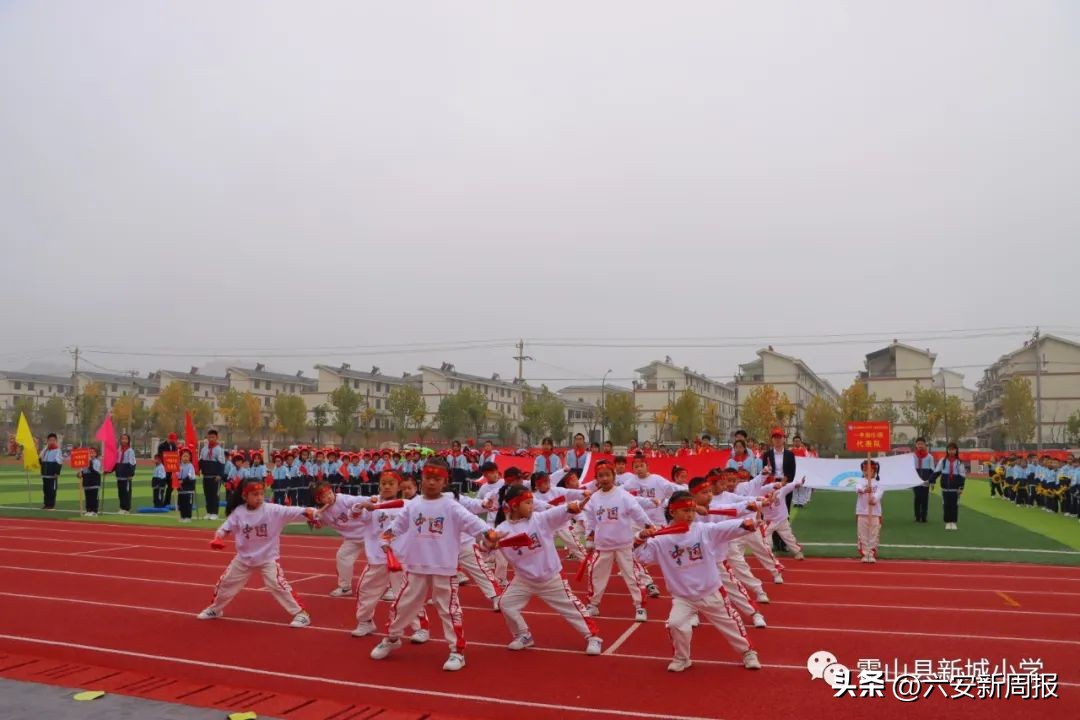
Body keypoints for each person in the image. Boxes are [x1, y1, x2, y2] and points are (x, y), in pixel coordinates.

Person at [369, 457, 493, 672]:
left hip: (444, 567)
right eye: (428, 478)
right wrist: (385, 539)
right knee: (402, 605)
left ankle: (457, 651)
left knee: (448, 610)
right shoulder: (414, 505)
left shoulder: (451, 505)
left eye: (437, 479)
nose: (432, 482)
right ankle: (392, 638)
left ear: (445, 482)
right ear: (421, 479)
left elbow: (474, 523)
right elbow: (396, 526)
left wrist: (489, 534)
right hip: (416, 566)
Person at [633, 491, 761, 672]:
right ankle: (682, 658)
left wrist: (745, 524)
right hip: (682, 596)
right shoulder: (661, 538)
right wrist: (640, 537)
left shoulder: (703, 530)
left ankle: (748, 652)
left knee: (730, 624)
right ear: (672, 512)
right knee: (675, 624)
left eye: (692, 511)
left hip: (710, 591)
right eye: (685, 511)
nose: (690, 515)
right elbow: (641, 557)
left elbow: (723, 528)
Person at [493, 485, 602, 655]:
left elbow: (561, 510)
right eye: (527, 503)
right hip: (523, 580)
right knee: (506, 604)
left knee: (571, 608)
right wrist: (489, 543)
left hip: (551, 577)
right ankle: (523, 635)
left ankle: (593, 637)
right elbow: (485, 546)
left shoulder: (540, 519)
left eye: (532, 502)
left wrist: (575, 506)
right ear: (514, 506)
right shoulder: (502, 530)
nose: (532, 506)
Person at [197, 477, 316, 627]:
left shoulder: (272, 510)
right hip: (243, 559)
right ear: (244, 496)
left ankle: (301, 614)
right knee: (226, 583)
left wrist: (310, 512)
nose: (259, 497)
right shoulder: (239, 512)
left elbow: (293, 511)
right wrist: (218, 537)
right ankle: (215, 609)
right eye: (255, 494)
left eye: (261, 493)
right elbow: (226, 527)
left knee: (277, 584)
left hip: (268, 558)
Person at [582, 460, 655, 621]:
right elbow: (590, 520)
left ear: (613, 476)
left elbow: (637, 511)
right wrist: (589, 537)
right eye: (601, 476)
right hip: (603, 545)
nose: (604, 479)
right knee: (596, 575)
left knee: (632, 576)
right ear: (596, 478)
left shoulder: (623, 495)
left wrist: (648, 525)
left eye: (607, 475)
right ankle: (593, 605)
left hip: (624, 544)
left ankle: (640, 607)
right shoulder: (594, 498)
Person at [759, 428, 796, 552]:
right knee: (772, 513)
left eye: (779, 437)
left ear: (783, 439)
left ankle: (784, 542)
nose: (777, 440)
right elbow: (765, 471)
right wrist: (773, 482)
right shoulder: (767, 455)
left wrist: (784, 481)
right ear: (772, 439)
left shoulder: (790, 454)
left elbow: (792, 472)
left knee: (784, 513)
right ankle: (775, 542)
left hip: (785, 485)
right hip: (772, 485)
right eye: (775, 437)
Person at [855, 460, 884, 562]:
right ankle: (865, 554)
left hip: (875, 513)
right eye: (865, 470)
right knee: (862, 534)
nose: (867, 472)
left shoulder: (878, 484)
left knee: (873, 534)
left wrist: (874, 499)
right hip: (862, 512)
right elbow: (858, 488)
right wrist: (864, 490)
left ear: (874, 471)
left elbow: (879, 493)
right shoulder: (860, 481)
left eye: (870, 470)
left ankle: (871, 554)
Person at [933, 443, 965, 530]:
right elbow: (937, 472)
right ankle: (947, 522)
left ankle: (953, 522)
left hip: (955, 489)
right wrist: (931, 480)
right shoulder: (943, 461)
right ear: (947, 450)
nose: (951, 451)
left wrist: (961, 487)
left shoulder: (959, 462)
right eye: (949, 449)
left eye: (953, 449)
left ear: (956, 450)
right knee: (946, 505)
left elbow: (962, 475)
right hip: (945, 489)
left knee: (954, 505)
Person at [198, 429, 226, 521]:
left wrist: (220, 475)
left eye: (213, 437)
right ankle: (209, 512)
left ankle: (214, 513)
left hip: (215, 476)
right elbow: (201, 461)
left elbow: (222, 463)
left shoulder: (219, 450)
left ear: (217, 438)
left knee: (215, 495)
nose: (211, 439)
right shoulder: (204, 449)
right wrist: (197, 469)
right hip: (206, 476)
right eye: (209, 437)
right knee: (207, 495)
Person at [911, 437, 934, 523]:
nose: (920, 445)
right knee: (917, 497)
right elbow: (910, 469)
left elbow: (932, 470)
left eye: (922, 444)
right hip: (915, 481)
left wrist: (932, 482)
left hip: (926, 481)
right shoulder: (912, 456)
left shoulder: (929, 457)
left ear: (925, 445)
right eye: (918, 444)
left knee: (925, 498)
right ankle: (917, 516)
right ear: (916, 445)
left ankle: (924, 516)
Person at [39, 432, 63, 510]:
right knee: (45, 489)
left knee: (52, 490)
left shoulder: (57, 450)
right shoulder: (46, 450)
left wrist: (57, 472)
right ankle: (46, 504)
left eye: (53, 440)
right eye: (50, 440)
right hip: (45, 474)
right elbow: (41, 458)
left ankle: (51, 505)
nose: (51, 442)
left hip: (52, 474)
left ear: (56, 441)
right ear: (47, 441)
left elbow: (59, 461)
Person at [114, 433, 136, 514]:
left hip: (126, 476)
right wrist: (108, 470)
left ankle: (126, 509)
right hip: (119, 475)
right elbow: (115, 462)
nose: (123, 440)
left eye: (125, 439)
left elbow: (132, 463)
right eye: (122, 439)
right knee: (121, 492)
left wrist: (131, 474)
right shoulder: (119, 450)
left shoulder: (130, 451)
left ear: (128, 440)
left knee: (126, 492)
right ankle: (122, 507)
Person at [176, 447, 199, 522]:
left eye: (187, 456)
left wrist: (182, 481)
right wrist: (176, 479)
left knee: (188, 503)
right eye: (184, 456)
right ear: (181, 457)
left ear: (189, 458)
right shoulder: (179, 465)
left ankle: (188, 517)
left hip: (188, 486)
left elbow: (189, 476)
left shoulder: (190, 466)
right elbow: (177, 474)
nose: (185, 458)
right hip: (181, 488)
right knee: (181, 503)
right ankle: (182, 516)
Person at [78, 446, 103, 516]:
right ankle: (88, 510)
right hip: (87, 483)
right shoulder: (85, 462)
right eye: (90, 452)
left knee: (94, 498)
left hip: (94, 483)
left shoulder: (97, 462)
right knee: (88, 498)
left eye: (93, 452)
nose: (91, 454)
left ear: (96, 454)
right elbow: (84, 471)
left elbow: (95, 472)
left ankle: (94, 511)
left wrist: (90, 463)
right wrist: (79, 474)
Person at [157, 432, 179, 507]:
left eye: (174, 440)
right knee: (162, 486)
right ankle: (159, 502)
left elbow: (175, 456)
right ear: (168, 438)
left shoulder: (174, 446)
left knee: (171, 486)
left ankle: (167, 502)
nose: (173, 441)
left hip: (171, 469)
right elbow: (160, 456)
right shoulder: (161, 446)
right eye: (171, 440)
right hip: (163, 469)